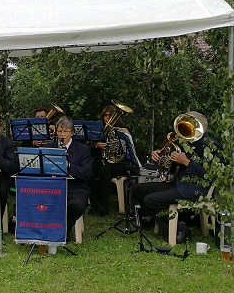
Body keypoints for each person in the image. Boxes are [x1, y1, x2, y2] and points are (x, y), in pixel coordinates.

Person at [132, 111, 222, 244]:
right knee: (137, 189)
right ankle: (172, 226)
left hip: (196, 189)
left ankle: (179, 229)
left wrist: (188, 163)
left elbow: (213, 175)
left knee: (150, 200)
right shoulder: (184, 144)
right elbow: (171, 169)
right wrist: (161, 157)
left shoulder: (212, 146)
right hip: (179, 183)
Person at [44, 116, 92, 241]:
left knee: (77, 205)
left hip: (75, 187)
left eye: (65, 131)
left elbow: (87, 173)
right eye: (59, 131)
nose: (62, 134)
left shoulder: (83, 150)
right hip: (53, 186)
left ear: (72, 133)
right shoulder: (49, 147)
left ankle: (64, 229)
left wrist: (69, 166)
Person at [89, 104, 141, 216]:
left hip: (120, 163)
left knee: (104, 171)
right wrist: (97, 145)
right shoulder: (99, 131)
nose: (107, 118)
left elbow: (130, 149)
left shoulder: (124, 130)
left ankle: (104, 207)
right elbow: (90, 150)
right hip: (104, 160)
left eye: (110, 115)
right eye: (105, 115)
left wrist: (126, 135)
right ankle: (94, 206)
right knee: (90, 169)